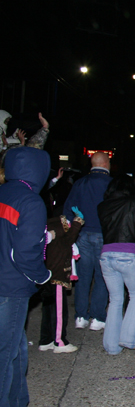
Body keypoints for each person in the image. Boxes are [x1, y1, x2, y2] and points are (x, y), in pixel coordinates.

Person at [0, 147, 53, 406]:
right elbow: (25, 253)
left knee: (17, 347)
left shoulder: (3, 193)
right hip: (11, 286)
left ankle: (18, 399)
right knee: (4, 355)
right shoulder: (30, 201)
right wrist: (43, 276)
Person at [64, 152, 113, 331]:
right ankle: (98, 318)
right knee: (101, 277)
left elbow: (68, 210)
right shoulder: (111, 184)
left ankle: (81, 316)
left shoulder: (80, 183)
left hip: (82, 234)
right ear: (106, 163)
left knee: (83, 277)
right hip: (103, 234)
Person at [97, 175, 135, 355]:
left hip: (106, 255)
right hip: (127, 253)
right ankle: (128, 339)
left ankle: (111, 346)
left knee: (115, 300)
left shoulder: (102, 206)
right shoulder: (133, 203)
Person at [38, 207, 84, 355]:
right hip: (57, 274)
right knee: (59, 311)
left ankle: (46, 340)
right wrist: (77, 223)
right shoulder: (59, 225)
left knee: (48, 308)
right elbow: (68, 241)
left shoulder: (46, 225)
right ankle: (60, 341)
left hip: (48, 274)